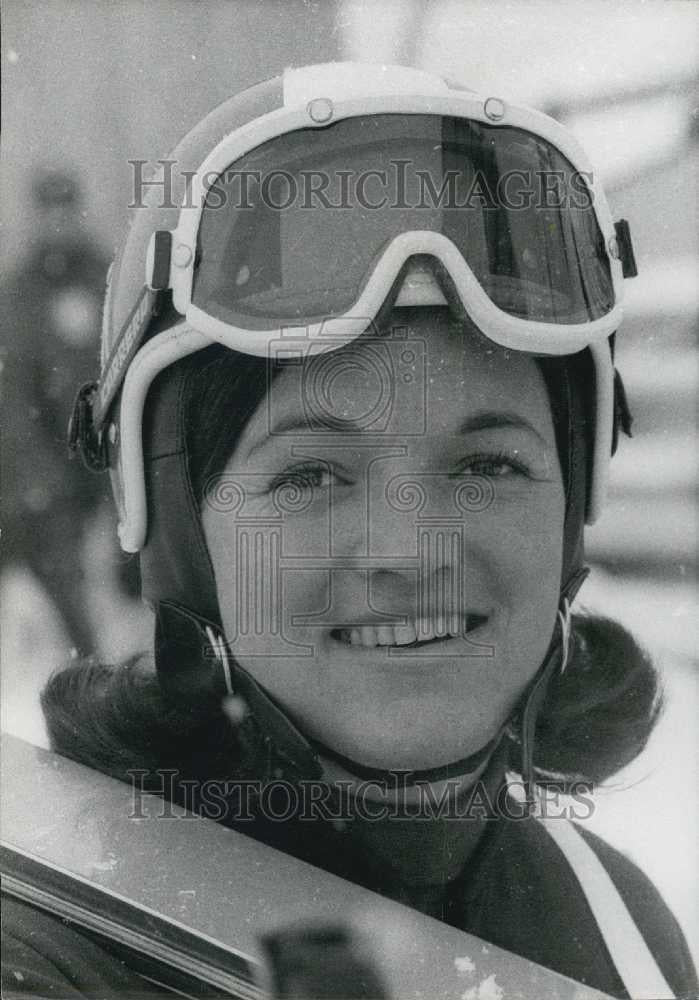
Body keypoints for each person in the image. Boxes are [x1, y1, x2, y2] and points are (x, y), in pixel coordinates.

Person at [4, 63, 696, 999]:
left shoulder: (618, 924)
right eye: (311, 474)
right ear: (181, 534)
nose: (410, 551)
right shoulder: (52, 952)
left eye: (485, 465)